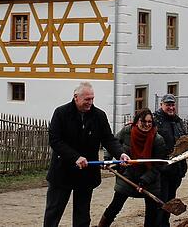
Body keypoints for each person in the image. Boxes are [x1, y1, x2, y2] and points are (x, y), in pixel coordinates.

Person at [44, 82, 130, 227]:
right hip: (62, 171)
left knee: (82, 215)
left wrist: (120, 153)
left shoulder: (99, 116)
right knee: (54, 211)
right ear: (76, 97)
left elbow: (108, 139)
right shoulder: (61, 113)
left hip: (86, 172)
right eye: (87, 99)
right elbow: (55, 140)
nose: (90, 102)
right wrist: (75, 157)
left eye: (92, 99)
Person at [98, 108, 167, 227]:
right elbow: (111, 143)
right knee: (115, 206)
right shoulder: (126, 132)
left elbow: (158, 165)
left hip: (150, 179)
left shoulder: (157, 139)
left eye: (149, 122)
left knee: (152, 212)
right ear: (136, 121)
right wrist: (107, 160)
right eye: (143, 121)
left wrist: (145, 180)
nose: (146, 125)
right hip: (127, 176)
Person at [153, 94, 188, 227]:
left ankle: (165, 223)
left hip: (176, 169)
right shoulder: (156, 121)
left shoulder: (178, 121)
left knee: (170, 199)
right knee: (161, 201)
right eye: (168, 105)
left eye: (172, 105)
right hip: (161, 169)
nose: (171, 107)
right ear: (161, 105)